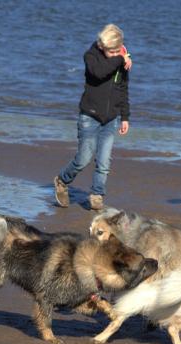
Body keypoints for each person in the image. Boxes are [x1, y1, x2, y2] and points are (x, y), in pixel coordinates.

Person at [54, 24, 132, 210]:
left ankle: (97, 195)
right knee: (83, 158)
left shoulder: (121, 61)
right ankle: (62, 180)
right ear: (101, 46)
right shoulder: (91, 57)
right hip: (89, 117)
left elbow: (123, 90)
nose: (113, 54)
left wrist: (125, 117)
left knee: (104, 162)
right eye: (110, 51)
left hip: (111, 119)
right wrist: (121, 59)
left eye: (116, 51)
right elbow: (99, 72)